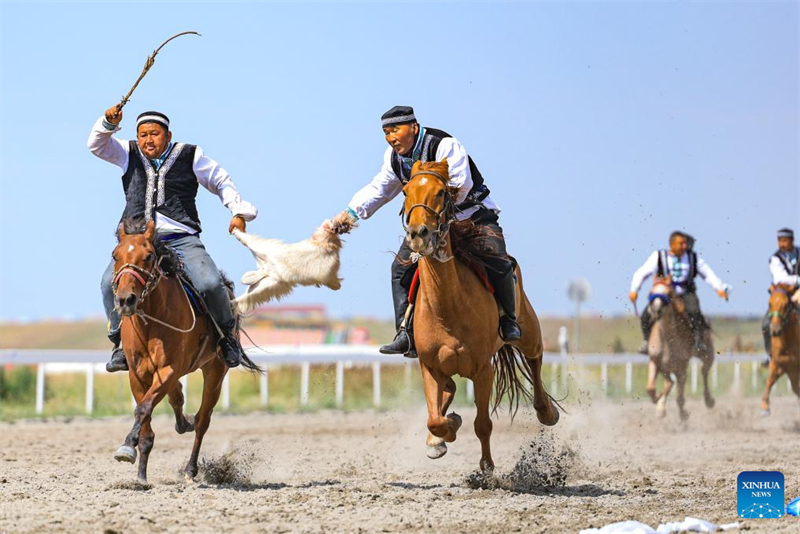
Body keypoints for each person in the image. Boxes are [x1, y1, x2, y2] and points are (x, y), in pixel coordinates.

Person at [336, 106, 519, 358]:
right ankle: (406, 333)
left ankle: (509, 319)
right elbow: (380, 189)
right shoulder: (393, 158)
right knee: (399, 268)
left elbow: (461, 184)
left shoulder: (444, 144)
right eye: (386, 133)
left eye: (395, 130)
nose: (391, 137)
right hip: (432, 226)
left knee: (497, 256)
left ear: (413, 126)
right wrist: (351, 213)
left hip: (471, 215)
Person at [88, 106, 257, 371]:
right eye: (142, 135)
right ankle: (120, 341)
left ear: (168, 135)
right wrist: (108, 124)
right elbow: (97, 145)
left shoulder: (190, 155)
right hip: (137, 240)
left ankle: (228, 338)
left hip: (180, 238)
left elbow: (220, 179)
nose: (148, 140)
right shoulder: (126, 153)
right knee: (107, 281)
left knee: (211, 283)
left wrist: (237, 210)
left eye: (154, 134)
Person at [630, 231, 731, 354]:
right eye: (681, 243)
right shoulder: (659, 256)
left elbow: (707, 274)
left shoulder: (692, 257)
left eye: (685, 243)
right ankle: (647, 341)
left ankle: (699, 342)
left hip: (686, 292)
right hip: (666, 293)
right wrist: (634, 289)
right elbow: (642, 272)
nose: (684, 246)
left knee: (694, 312)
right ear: (671, 244)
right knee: (647, 313)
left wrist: (719, 288)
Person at [761, 227, 799, 367]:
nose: (782, 244)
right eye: (779, 241)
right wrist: (797, 280)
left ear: (792, 240)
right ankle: (770, 355)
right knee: (766, 325)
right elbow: (780, 279)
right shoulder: (775, 258)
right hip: (782, 297)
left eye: (785, 241)